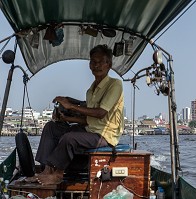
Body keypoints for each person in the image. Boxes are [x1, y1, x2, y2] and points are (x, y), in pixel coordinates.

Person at [27, 44, 124, 185]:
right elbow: (87, 120)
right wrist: (66, 117)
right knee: (51, 127)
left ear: (108, 64)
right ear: (90, 65)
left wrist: (71, 105)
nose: (96, 66)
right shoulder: (91, 90)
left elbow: (100, 113)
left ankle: (58, 174)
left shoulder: (115, 85)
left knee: (69, 138)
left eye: (100, 62)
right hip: (90, 131)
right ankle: (46, 170)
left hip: (105, 136)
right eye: (93, 62)